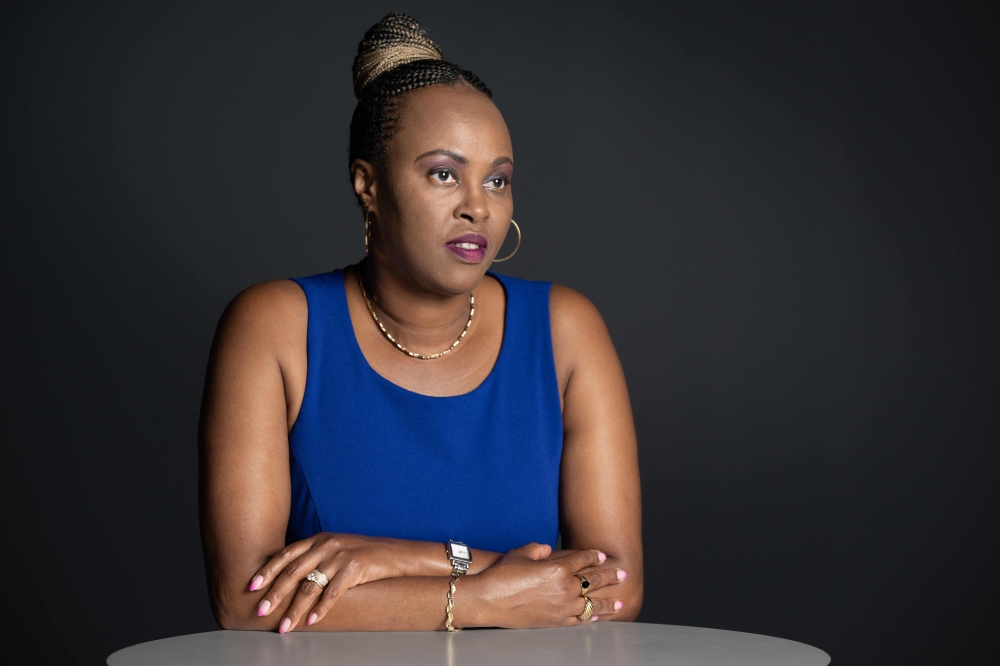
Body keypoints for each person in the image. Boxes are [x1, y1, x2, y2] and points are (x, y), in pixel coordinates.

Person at [199, 13, 642, 634]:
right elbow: (248, 604)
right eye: (443, 173)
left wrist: (395, 558)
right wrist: (487, 596)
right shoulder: (276, 326)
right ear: (368, 186)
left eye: (498, 180)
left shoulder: (565, 330)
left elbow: (615, 590)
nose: (477, 206)